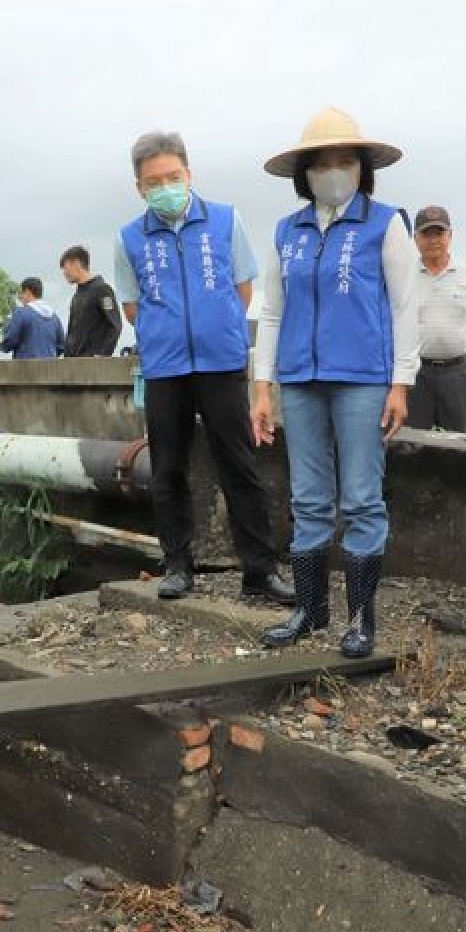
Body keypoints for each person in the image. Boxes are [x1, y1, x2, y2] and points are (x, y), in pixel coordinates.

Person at [252, 107, 419, 659]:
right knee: (308, 497)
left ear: (362, 168)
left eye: (345, 160)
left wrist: (400, 383)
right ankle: (310, 608)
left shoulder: (384, 222)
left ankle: (361, 619)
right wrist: (262, 386)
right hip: (299, 379)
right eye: (321, 163)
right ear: (304, 173)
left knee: (363, 498)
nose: (333, 171)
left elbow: (403, 306)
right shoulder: (288, 231)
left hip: (363, 379)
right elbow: (272, 311)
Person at [114, 131, 293, 605]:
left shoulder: (226, 220)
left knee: (239, 466)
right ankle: (176, 566)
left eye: (173, 176)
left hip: (220, 364)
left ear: (189, 174)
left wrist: (215, 330)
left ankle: (259, 571)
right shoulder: (129, 237)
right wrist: (168, 331)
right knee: (168, 469)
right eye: (154, 181)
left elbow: (242, 290)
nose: (166, 186)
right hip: (165, 368)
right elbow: (132, 307)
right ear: (139, 187)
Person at [406, 206, 466, 434]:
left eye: (439, 233)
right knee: (411, 445)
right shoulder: (403, 276)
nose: (433, 240)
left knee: (464, 444)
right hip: (415, 373)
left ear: (450, 236)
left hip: (457, 373)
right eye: (427, 234)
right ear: (415, 238)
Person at [60, 246, 121, 357]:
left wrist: (102, 355)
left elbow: (115, 325)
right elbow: (71, 333)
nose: (64, 273)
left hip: (93, 364)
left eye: (65, 268)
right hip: (74, 364)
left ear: (77, 263)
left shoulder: (102, 289)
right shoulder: (76, 296)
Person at [0, 277, 65, 360]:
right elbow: (61, 346)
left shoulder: (21, 313)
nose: (20, 297)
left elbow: (9, 342)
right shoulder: (55, 318)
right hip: (50, 369)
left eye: (21, 293)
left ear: (27, 292)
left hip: (26, 369)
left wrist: (3, 344)